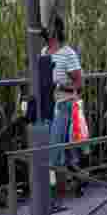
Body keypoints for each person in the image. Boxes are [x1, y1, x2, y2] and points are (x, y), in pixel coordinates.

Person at [43, 17, 84, 197]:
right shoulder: (44, 51)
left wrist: (60, 87)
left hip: (64, 104)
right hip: (49, 105)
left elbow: (80, 83)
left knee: (54, 151)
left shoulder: (68, 53)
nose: (45, 29)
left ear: (57, 30)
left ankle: (55, 195)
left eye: (48, 26)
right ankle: (76, 182)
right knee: (62, 151)